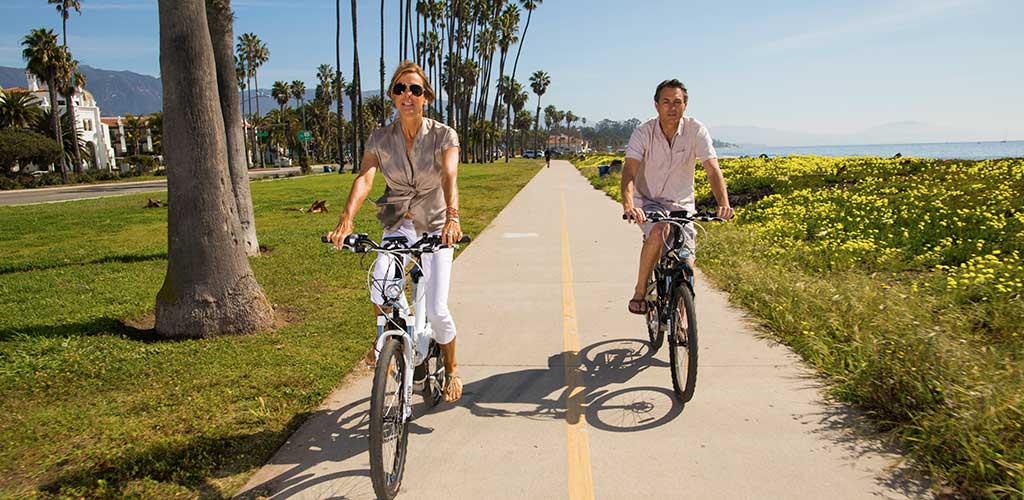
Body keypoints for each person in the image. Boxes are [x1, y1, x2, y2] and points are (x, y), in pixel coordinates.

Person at [326, 61, 463, 402]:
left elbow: (449, 175)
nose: (407, 95)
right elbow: (365, 177)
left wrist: (453, 217)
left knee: (437, 309)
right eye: (400, 89)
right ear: (392, 96)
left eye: (415, 90)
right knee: (380, 286)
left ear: (426, 97)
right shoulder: (380, 139)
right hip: (398, 222)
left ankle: (453, 368)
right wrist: (346, 220)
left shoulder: (444, 135)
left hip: (435, 225)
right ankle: (392, 338)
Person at [620, 79, 734, 315]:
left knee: (687, 262)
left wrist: (723, 204)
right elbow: (629, 171)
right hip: (648, 202)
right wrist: (629, 204)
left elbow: (712, 169)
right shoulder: (643, 132)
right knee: (660, 231)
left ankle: (682, 319)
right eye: (666, 102)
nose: (672, 107)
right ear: (656, 105)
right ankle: (640, 290)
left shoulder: (696, 130)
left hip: (681, 204)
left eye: (677, 102)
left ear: (685, 104)